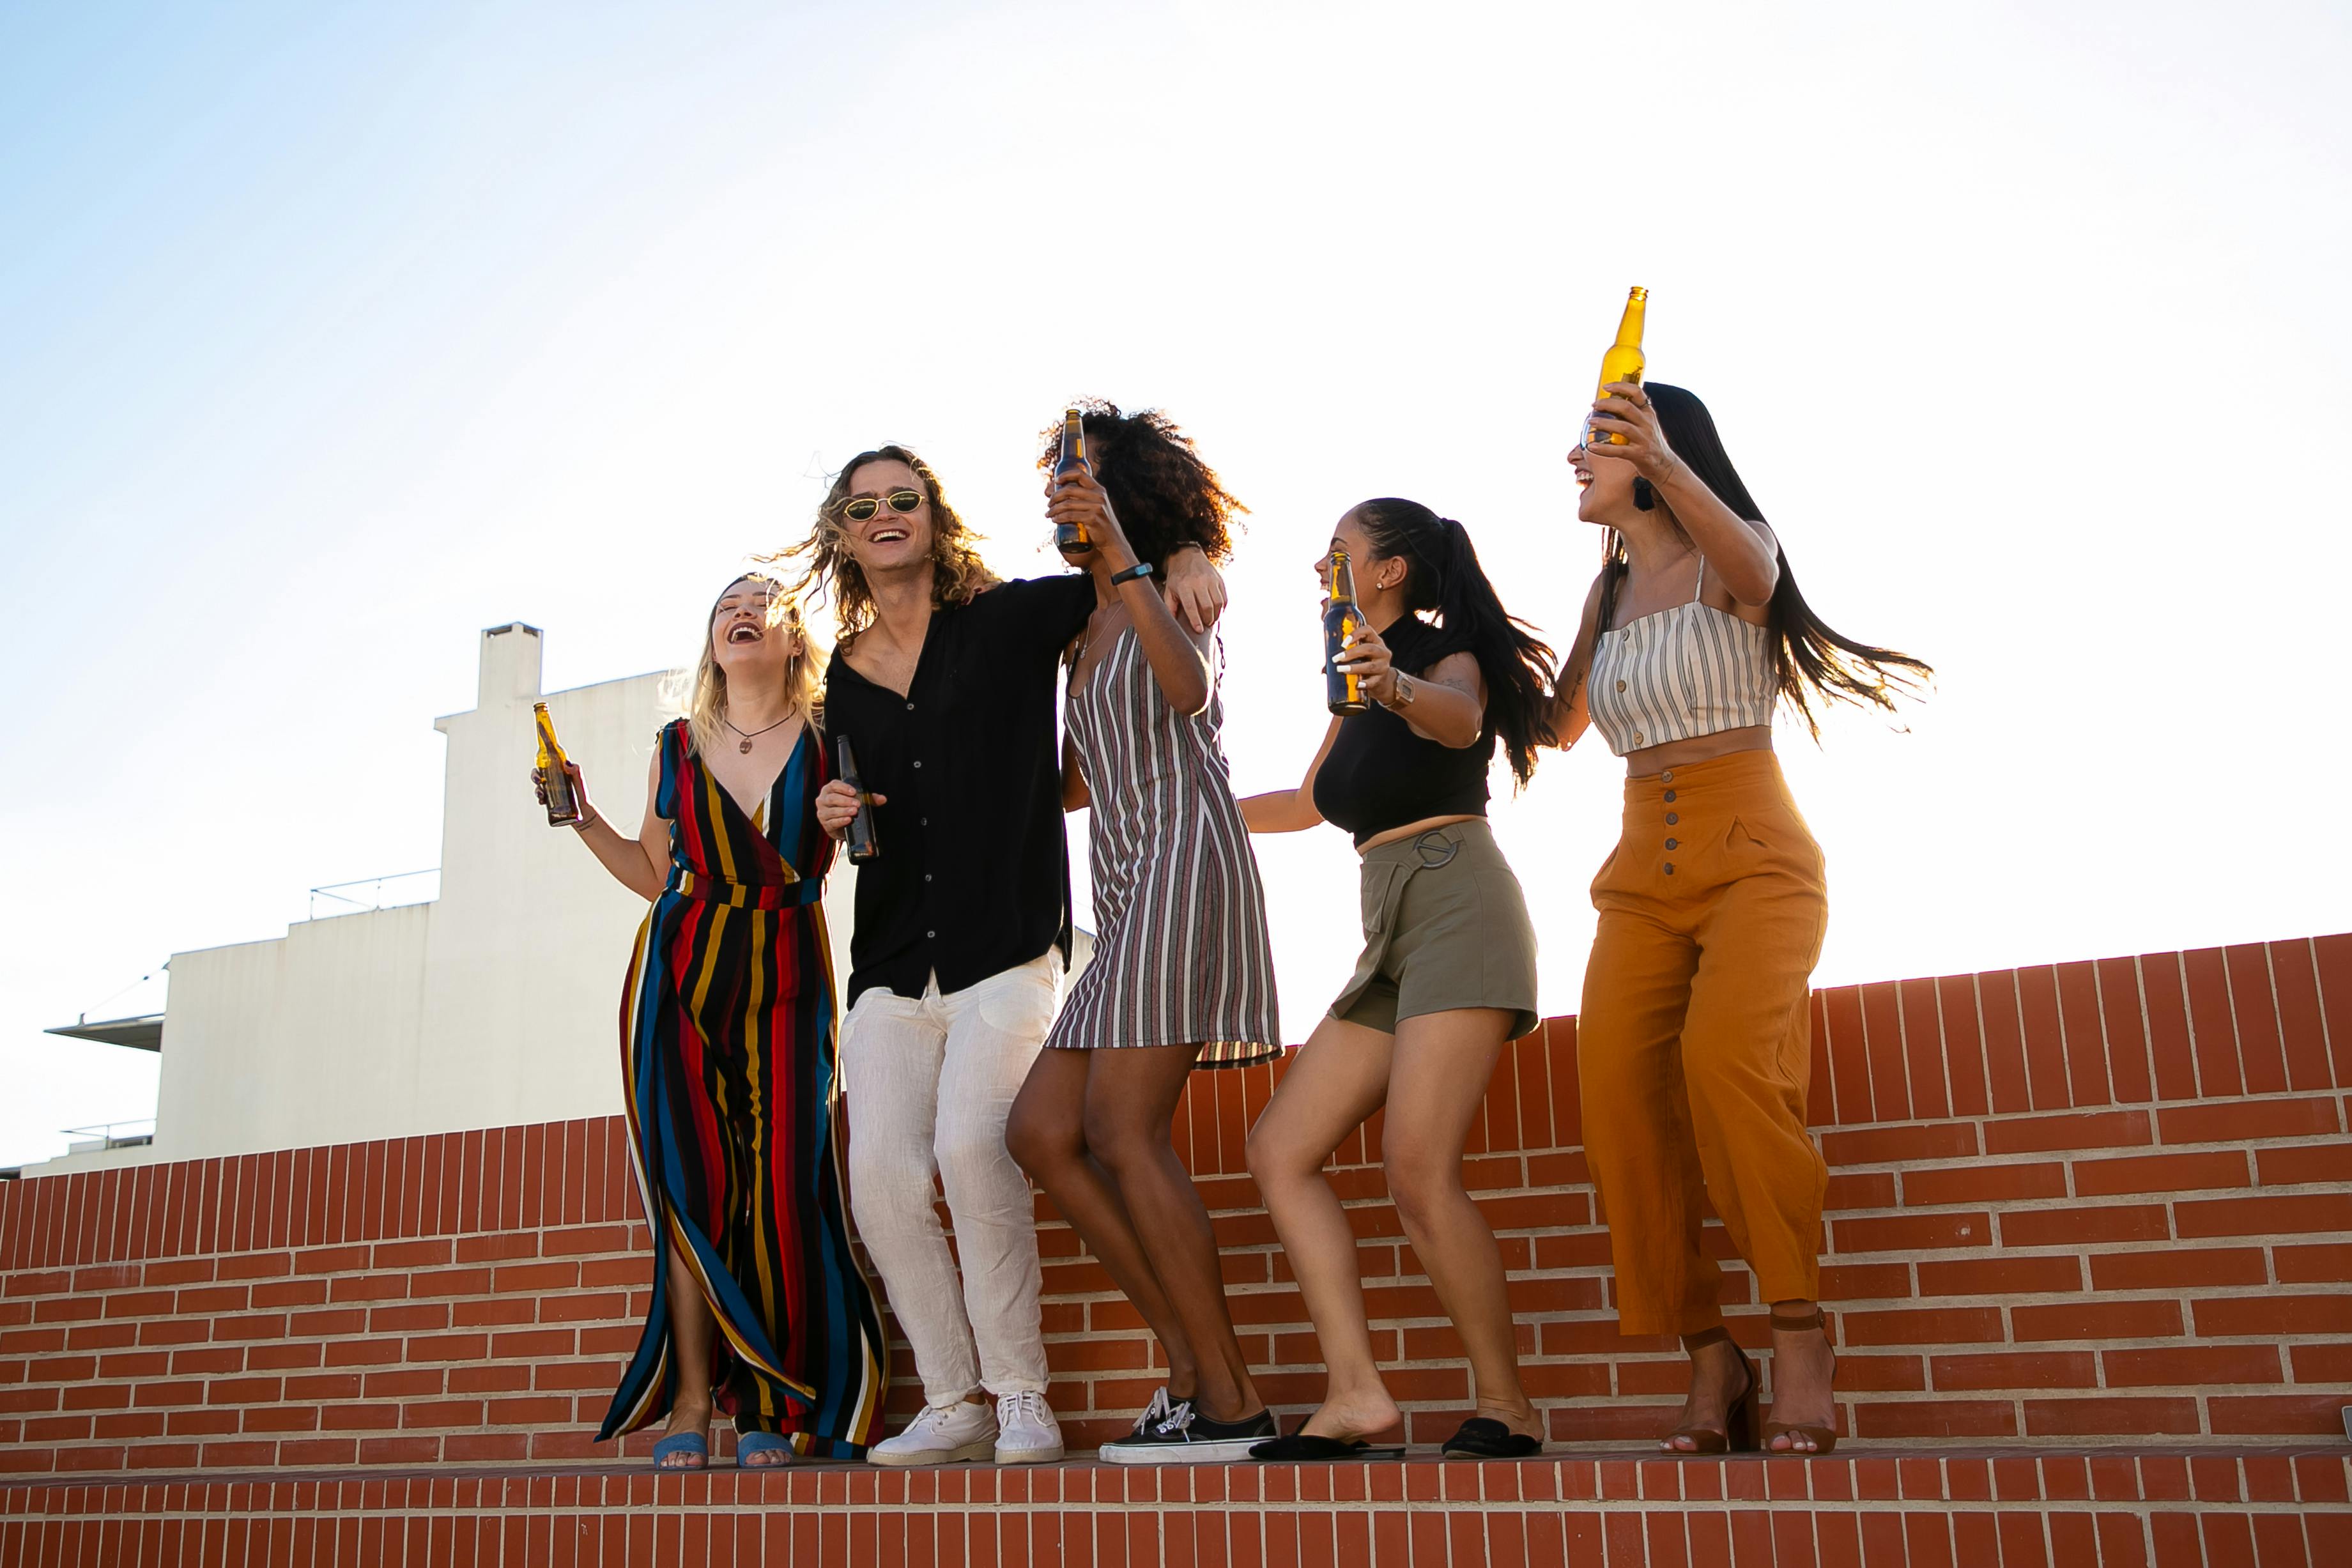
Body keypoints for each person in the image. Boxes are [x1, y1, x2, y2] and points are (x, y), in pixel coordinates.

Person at [780, 444, 1225, 1467]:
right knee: (882, 1181)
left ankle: (1021, 1392)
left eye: (904, 498)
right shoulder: (834, 679)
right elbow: (814, 814)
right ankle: (953, 1400)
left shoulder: (1014, 619)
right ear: (842, 535)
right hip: (891, 963)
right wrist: (833, 807)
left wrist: (1193, 544)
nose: (885, 514)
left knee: (973, 1149)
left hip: (1007, 951)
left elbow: (1127, 557)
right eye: (863, 506)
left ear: (932, 517)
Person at [1552, 380, 1930, 1456]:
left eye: (1596, 440)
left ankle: (1799, 1328)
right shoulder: (1606, 592)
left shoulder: (1732, 551)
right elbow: (1556, 727)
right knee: (1618, 1093)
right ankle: (1709, 1352)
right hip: (1639, 872)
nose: (1574, 457)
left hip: (1754, 858)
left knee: (1727, 1062)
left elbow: (1763, 580)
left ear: (1655, 448)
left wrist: (1663, 456)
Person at [536, 574, 886, 1469]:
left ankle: (770, 1398)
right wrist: (579, 814)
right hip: (680, 969)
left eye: (764, 601)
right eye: (728, 602)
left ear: (792, 640)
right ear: (712, 639)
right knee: (688, 1185)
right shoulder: (676, 744)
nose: (743, 610)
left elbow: (868, 844)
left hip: (787, 969)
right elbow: (655, 873)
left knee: (779, 1186)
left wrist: (845, 819)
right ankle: (692, 1398)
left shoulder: (827, 737)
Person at [1238, 499, 1556, 1461]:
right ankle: (1355, 1395)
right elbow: (1304, 802)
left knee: (1416, 1168)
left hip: (1459, 904)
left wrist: (1396, 684)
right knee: (1279, 1148)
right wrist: (1191, 803)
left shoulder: (1431, 651)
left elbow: (1460, 722)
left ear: (1388, 573)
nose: (1320, 564)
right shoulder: (1348, 678)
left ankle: (1507, 1405)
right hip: (1386, 929)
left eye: (1338, 550)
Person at [1002, 404, 1282, 1464]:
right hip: (1122, 886)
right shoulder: (1081, 622)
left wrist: (1138, 554)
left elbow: (1187, 687)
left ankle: (1231, 1401)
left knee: (1124, 1130)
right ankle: (1187, 1365)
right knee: (1040, 1131)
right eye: (1057, 476)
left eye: (1083, 471)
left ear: (1133, 489)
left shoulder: (1170, 582)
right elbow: (1079, 779)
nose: (1063, 490)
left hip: (1185, 859)